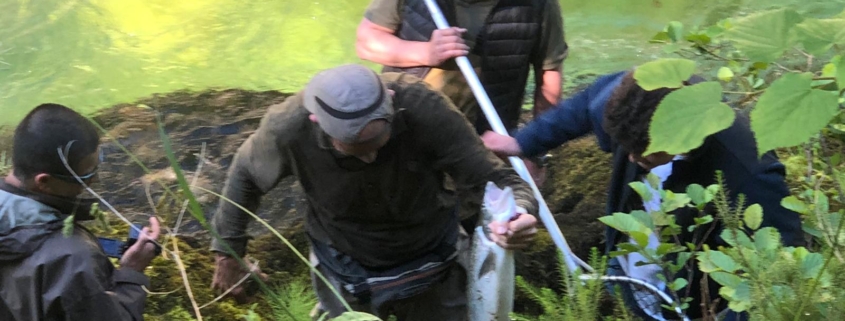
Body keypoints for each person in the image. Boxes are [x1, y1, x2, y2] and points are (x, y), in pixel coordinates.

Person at [210, 64, 539, 321]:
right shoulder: (288, 128)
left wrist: (519, 214)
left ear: (392, 104)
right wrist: (228, 253)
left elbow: (496, 179)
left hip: (432, 252)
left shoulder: (423, 107)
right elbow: (245, 177)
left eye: (378, 144)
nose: (369, 157)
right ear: (317, 122)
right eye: (354, 148)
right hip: (344, 260)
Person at [481, 69, 803, 321]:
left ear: (682, 133)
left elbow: (777, 271)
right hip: (635, 271)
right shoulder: (627, 104)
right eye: (626, 146)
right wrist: (523, 142)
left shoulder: (749, 170)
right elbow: (586, 104)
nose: (633, 159)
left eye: (646, 150)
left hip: (701, 299)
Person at [355, 0, 568, 188]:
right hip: (406, 132)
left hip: (485, 145)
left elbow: (548, 79)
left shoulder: (539, 5)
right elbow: (367, 41)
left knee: (485, 224)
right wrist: (426, 52)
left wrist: (534, 151)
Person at [0, 104, 161, 321]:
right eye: (86, 175)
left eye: (99, 162)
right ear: (44, 182)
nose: (95, 180)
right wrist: (132, 273)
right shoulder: (74, 260)